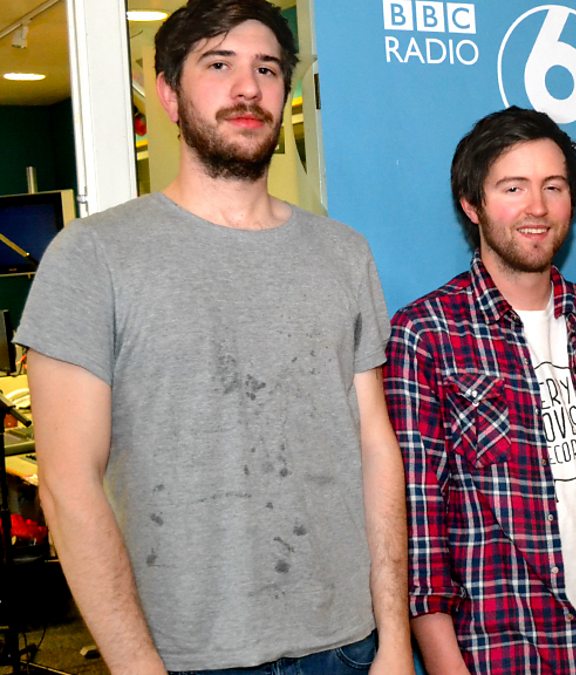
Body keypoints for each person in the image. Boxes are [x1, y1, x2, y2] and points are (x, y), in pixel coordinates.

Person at [15, 1, 412, 672]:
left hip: (347, 646)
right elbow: (66, 481)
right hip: (183, 657)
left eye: (267, 69)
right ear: (169, 94)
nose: (248, 87)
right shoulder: (92, 256)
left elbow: (375, 448)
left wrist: (395, 639)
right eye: (219, 65)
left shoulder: (344, 253)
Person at [384, 107, 576, 675]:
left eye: (553, 186)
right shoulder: (426, 334)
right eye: (513, 187)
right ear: (471, 204)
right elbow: (419, 523)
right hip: (501, 652)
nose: (538, 207)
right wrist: (446, 666)